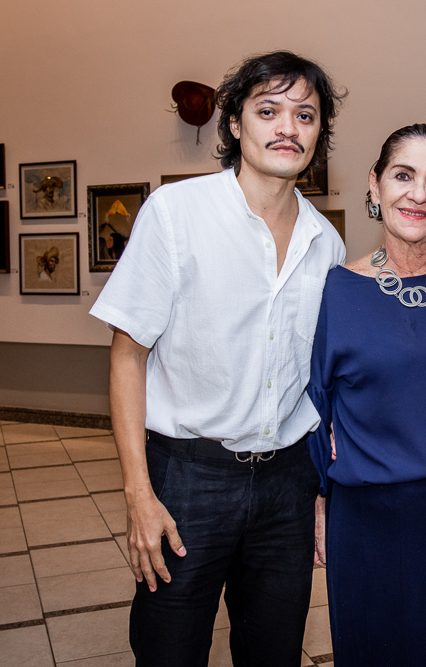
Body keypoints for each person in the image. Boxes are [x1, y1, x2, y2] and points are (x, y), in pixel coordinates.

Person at [88, 51, 346, 667]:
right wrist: (138, 495)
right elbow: (127, 357)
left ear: (319, 133)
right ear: (234, 123)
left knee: (273, 651)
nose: (288, 127)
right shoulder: (176, 213)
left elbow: (319, 385)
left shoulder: (327, 244)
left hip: (287, 484)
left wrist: (318, 491)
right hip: (189, 477)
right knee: (170, 649)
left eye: (305, 115)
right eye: (268, 110)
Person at [308, 124, 426, 666]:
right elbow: (315, 404)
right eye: (403, 175)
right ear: (375, 185)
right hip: (369, 518)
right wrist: (318, 505)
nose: (418, 194)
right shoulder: (335, 290)